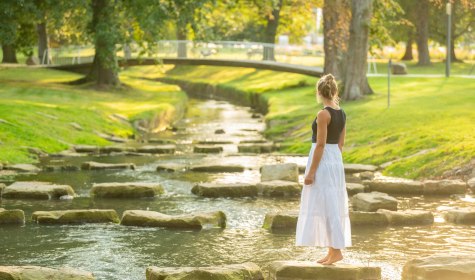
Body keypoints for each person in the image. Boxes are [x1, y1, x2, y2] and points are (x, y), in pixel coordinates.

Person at [295, 73, 352, 265]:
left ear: (319, 92)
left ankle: (336, 251)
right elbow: (341, 144)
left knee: (328, 206)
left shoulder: (323, 114)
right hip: (335, 159)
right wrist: (333, 161)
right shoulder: (342, 113)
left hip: (323, 160)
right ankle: (332, 251)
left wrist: (310, 172)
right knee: (331, 205)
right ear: (335, 91)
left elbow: (320, 145)